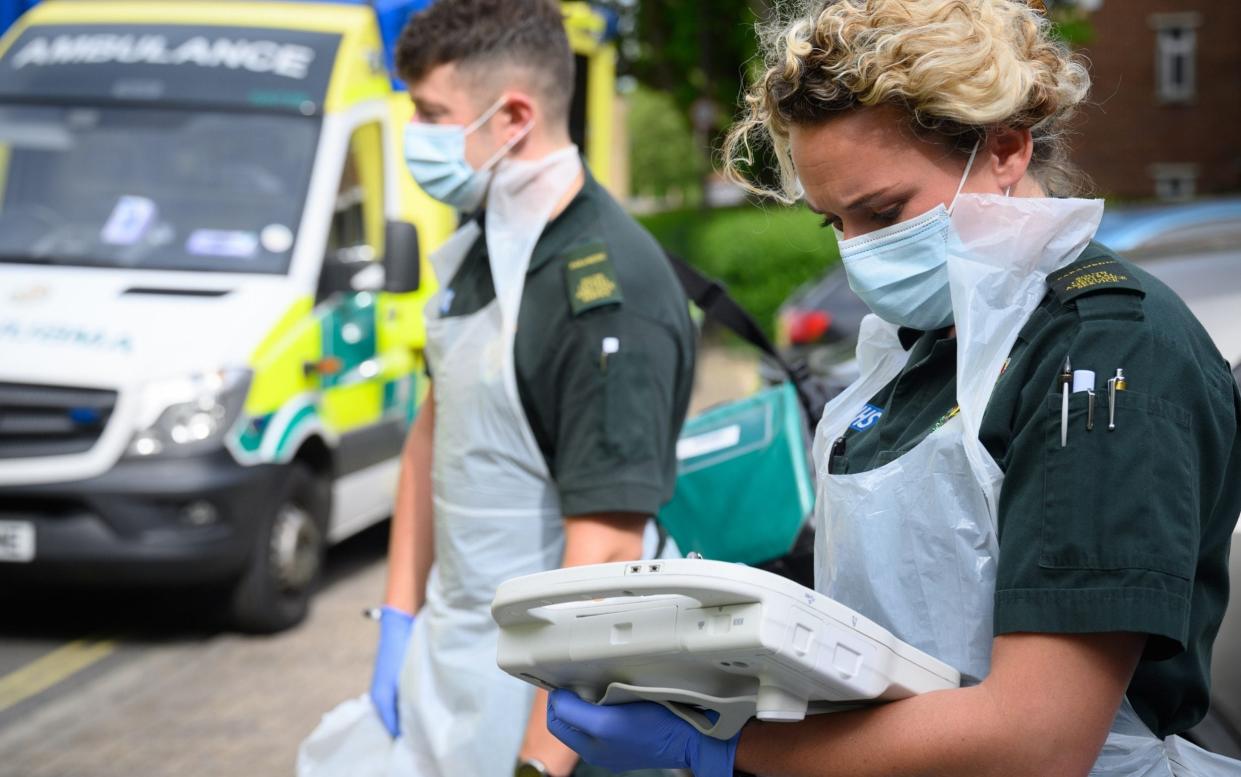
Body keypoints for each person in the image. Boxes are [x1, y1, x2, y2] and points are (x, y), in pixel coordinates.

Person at [544, 1, 1241, 775]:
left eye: (882, 212)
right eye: (831, 222)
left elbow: (1038, 739)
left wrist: (730, 749)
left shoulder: (1106, 357)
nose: (858, 254)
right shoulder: (927, 343)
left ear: (1004, 149)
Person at [367, 1, 697, 776]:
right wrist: (397, 617)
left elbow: (607, 542)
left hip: (559, 699)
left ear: (512, 114)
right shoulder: (482, 239)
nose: (415, 134)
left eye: (429, 114)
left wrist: (538, 761)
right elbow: (434, 428)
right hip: (454, 656)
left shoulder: (606, 290)